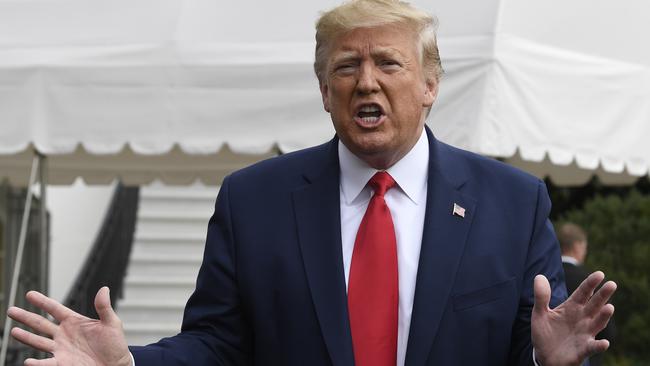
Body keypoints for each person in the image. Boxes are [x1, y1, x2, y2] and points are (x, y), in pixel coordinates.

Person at [7, 1, 616, 365]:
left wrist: (546, 359)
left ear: (431, 85)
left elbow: (523, 343)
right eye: (346, 67)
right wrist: (131, 362)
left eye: (388, 63)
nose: (366, 81)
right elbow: (218, 345)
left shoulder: (510, 201)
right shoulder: (255, 201)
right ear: (325, 91)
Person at [557, 222, 616, 366]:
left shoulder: (541, 276)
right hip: (583, 357)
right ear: (577, 246)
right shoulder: (593, 279)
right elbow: (608, 333)